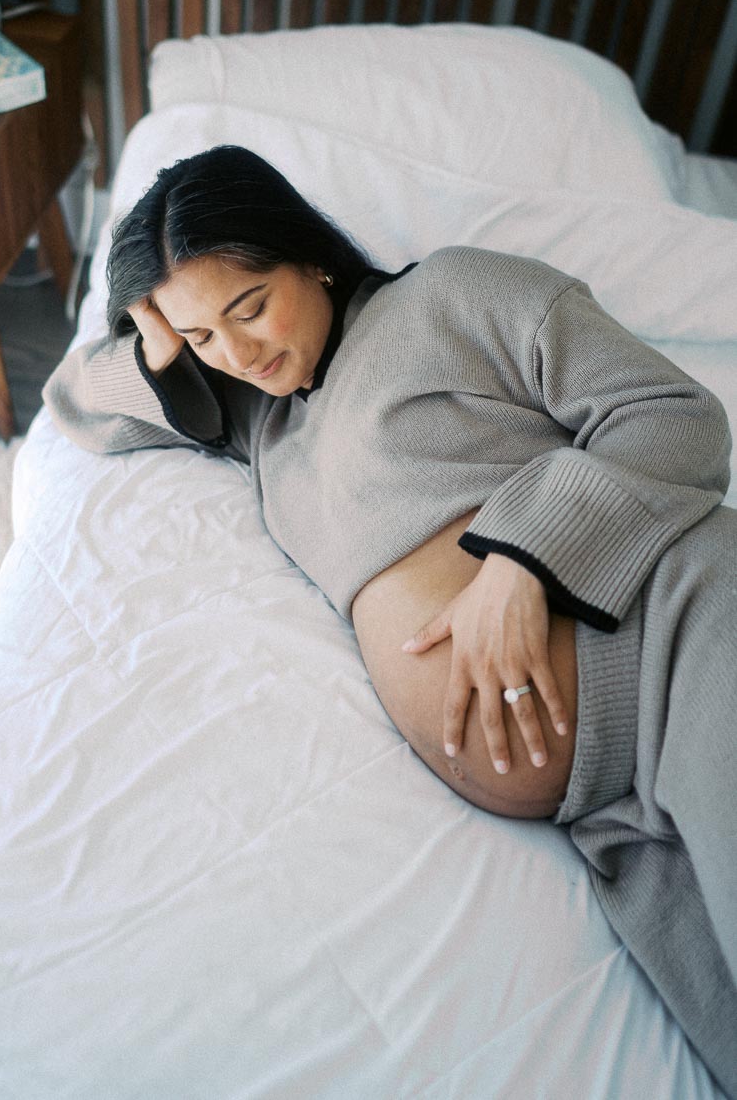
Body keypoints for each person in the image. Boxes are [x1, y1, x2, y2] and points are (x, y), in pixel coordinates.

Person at [44, 144, 737, 1094]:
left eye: (250, 306)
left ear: (310, 256)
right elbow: (73, 401)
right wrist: (159, 340)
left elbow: (677, 416)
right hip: (605, 803)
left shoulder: (455, 295)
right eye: (205, 337)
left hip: (684, 623)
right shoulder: (258, 419)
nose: (240, 351)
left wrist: (522, 562)